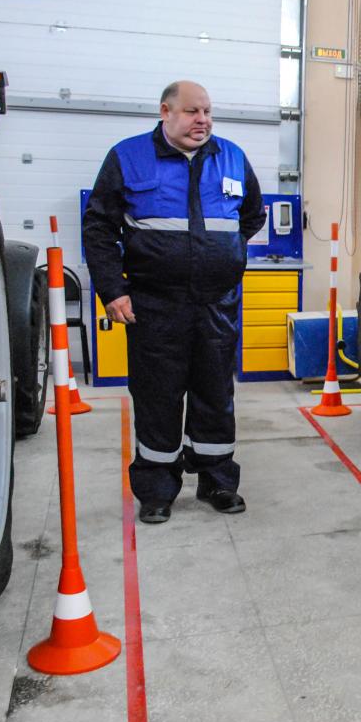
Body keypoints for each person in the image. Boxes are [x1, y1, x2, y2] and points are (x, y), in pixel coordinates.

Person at [83, 80, 265, 524]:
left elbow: (252, 215)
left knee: (215, 395)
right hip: (154, 305)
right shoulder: (128, 157)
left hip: (216, 305)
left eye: (207, 112)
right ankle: (157, 489)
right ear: (165, 111)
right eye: (191, 112)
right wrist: (113, 289)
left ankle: (218, 480)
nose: (202, 120)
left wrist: (226, 255)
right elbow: (99, 229)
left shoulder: (233, 157)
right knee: (157, 397)